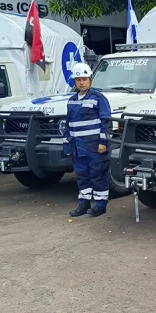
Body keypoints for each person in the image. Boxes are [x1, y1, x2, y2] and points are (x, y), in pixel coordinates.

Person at [64, 63, 112, 218]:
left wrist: (103, 143)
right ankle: (84, 204)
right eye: (78, 80)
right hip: (78, 146)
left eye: (84, 79)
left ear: (90, 80)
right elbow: (68, 123)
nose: (81, 82)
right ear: (74, 82)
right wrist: (67, 143)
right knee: (82, 175)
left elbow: (106, 122)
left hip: (94, 146)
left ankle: (100, 205)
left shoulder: (98, 98)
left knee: (97, 174)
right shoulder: (71, 100)